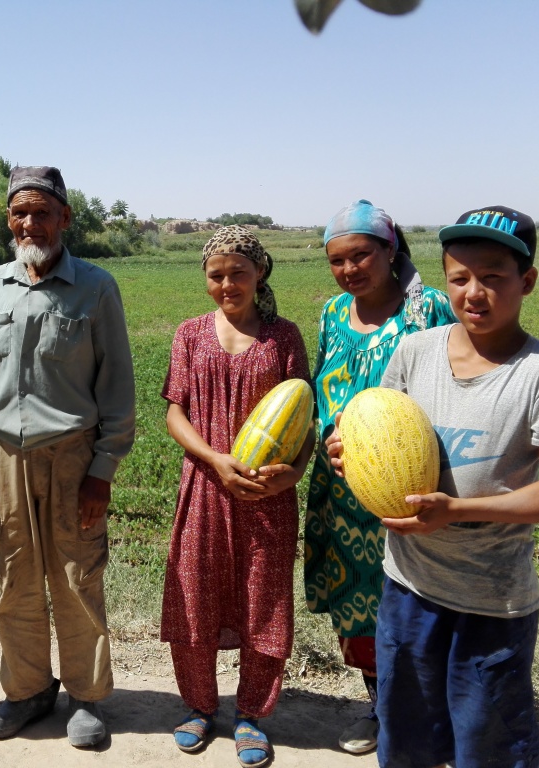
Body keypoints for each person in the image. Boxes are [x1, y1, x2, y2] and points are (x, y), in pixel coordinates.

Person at [327, 205, 539, 768]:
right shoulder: (415, 353)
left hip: (491, 601)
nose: (474, 292)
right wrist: (349, 451)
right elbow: (379, 426)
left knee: (487, 743)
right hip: (406, 586)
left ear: (526, 282)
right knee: (405, 737)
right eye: (459, 278)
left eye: (493, 277)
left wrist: (457, 509)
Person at [0, 166, 136, 748]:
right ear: (9, 220)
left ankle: (86, 699)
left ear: (64, 218)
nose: (30, 223)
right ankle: (28, 691)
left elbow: (117, 389)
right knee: (13, 576)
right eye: (20, 212)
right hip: (5, 456)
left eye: (42, 211)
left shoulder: (96, 286)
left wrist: (101, 472)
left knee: (76, 574)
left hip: (72, 457)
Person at [303, 200, 457, 754]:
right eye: (338, 260)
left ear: (390, 250)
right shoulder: (330, 314)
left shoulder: (428, 309)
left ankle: (431, 709)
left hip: (409, 484)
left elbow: (457, 384)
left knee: (417, 602)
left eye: (362, 255)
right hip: (342, 492)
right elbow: (324, 383)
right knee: (359, 606)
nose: (350, 270)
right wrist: (328, 434)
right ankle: (379, 704)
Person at [160, 226, 314, 767]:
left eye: (238, 273)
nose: (227, 283)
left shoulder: (285, 337)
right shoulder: (189, 334)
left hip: (266, 495)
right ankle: (199, 707)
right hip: (205, 485)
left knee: (263, 602)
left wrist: (292, 474)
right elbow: (174, 411)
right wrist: (215, 460)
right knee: (194, 595)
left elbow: (305, 418)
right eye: (216, 274)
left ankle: (251, 714)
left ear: (260, 273)